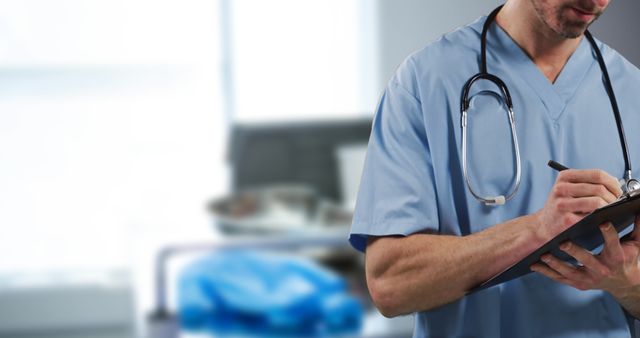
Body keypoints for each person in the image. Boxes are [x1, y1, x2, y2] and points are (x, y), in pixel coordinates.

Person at [349, 0, 640, 337]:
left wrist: (627, 285)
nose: (595, 2)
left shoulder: (631, 90)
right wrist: (536, 231)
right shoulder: (424, 83)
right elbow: (390, 284)